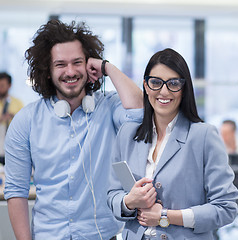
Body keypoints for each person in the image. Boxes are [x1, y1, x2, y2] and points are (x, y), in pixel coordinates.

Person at [4, 19, 143, 240]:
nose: (70, 71)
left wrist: (107, 67)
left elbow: (140, 109)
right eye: (60, 64)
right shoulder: (26, 120)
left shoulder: (109, 107)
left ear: (89, 66)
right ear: (48, 71)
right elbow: (16, 192)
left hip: (102, 235)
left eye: (77, 62)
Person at [107, 48, 238, 240]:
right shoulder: (127, 134)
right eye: (156, 83)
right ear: (145, 85)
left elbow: (226, 208)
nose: (164, 91)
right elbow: (112, 195)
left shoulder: (204, 136)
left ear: (184, 88)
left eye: (173, 83)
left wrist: (165, 217)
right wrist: (129, 201)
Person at [0, 72, 23, 165]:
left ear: (9, 86)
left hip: (11, 148)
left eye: (2, 85)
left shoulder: (17, 103)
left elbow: (24, 123)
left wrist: (13, 117)